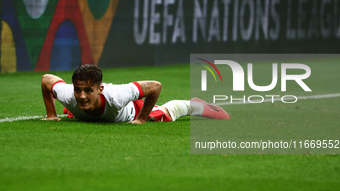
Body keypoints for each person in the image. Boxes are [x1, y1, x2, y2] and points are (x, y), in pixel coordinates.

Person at [41, 64, 230, 124]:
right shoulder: (68, 94)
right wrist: (51, 115)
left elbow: (155, 86)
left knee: (165, 114)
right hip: (88, 111)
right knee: (74, 107)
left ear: (100, 89)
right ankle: (73, 111)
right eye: (78, 90)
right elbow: (46, 79)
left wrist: (140, 119)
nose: (81, 95)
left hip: (132, 110)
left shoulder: (117, 96)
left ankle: (194, 105)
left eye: (88, 91)